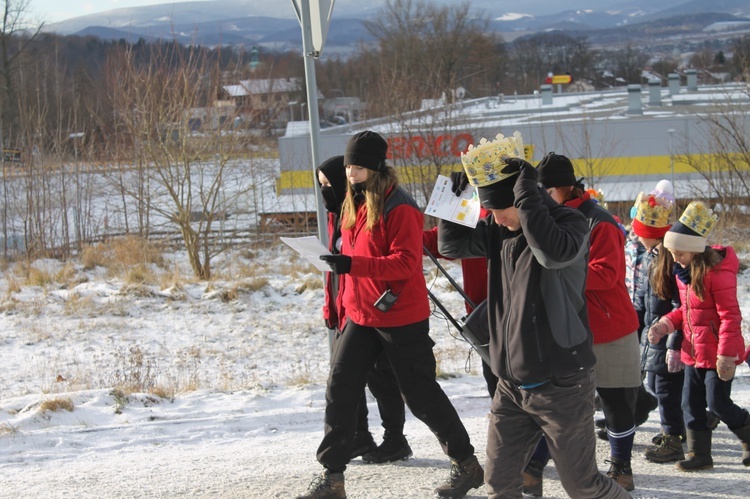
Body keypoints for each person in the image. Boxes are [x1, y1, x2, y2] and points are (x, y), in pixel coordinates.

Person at [437, 136, 629, 499]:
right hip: (511, 383)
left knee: (582, 486)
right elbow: (453, 247)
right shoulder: (500, 231)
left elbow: (551, 254)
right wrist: (454, 201)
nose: (494, 218)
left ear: (522, 198)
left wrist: (526, 192)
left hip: (562, 385)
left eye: (500, 209)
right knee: (499, 484)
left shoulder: (570, 224)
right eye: (489, 210)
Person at [299, 131, 484, 499]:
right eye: (348, 165)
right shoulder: (354, 202)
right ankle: (332, 477)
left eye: (356, 165)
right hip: (361, 316)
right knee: (340, 388)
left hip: (400, 316)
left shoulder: (400, 206)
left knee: (420, 395)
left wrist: (351, 264)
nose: (349, 171)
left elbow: (404, 262)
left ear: (374, 166)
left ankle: (466, 463)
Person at [532, 152, 642, 492]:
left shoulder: (600, 221)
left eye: (544, 191)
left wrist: (558, 271)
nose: (540, 197)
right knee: (558, 401)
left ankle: (621, 465)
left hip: (608, 326)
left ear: (563, 188)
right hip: (566, 325)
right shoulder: (549, 219)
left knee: (614, 400)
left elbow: (608, 274)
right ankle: (534, 464)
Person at [315, 155, 411, 464]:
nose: (325, 191)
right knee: (344, 379)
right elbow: (336, 273)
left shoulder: (373, 211)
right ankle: (360, 436)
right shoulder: (337, 216)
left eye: (329, 184)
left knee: (383, 379)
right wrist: (331, 308)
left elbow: (392, 261)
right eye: (321, 186)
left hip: (377, 308)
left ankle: (395, 439)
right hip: (348, 309)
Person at [648, 201, 750, 471]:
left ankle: (748, 433)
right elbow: (685, 311)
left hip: (718, 352)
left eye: (679, 253)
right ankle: (699, 454)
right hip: (693, 350)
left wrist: (726, 355)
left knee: (717, 402)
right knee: (690, 403)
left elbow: (730, 315)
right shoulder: (685, 275)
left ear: (694, 250)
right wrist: (665, 325)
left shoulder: (717, 274)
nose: (675, 259)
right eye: (672, 253)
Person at [629, 180, 686, 463]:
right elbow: (641, 303)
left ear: (651, 235)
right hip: (653, 337)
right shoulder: (651, 258)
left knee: (666, 389)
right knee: (658, 385)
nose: (637, 237)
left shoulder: (669, 262)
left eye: (641, 233)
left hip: (668, 338)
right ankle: (675, 430)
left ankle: (673, 438)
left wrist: (674, 343)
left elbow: (681, 307)